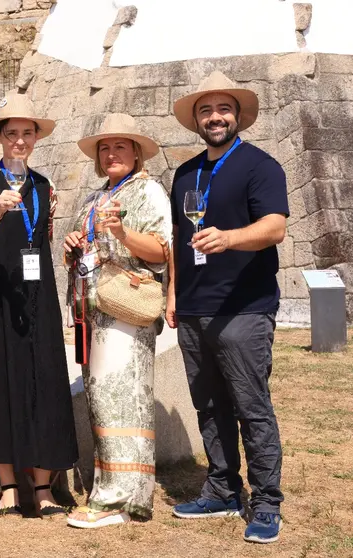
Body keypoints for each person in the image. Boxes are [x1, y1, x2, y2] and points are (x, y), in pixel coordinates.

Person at [167, 71, 287, 544]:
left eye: (223, 109)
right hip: (194, 310)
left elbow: (274, 227)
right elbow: (179, 241)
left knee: (251, 407)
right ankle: (221, 488)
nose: (214, 117)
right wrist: (174, 294)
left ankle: (267, 502)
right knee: (209, 407)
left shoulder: (260, 166)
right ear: (196, 119)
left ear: (237, 116)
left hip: (244, 309)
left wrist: (230, 238)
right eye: (205, 110)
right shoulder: (186, 172)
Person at [0, 93, 77, 519]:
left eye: (28, 133)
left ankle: (41, 485)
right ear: (0, 138)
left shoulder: (46, 185)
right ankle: (8, 485)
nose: (20, 141)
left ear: (36, 138)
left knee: (42, 381)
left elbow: (39, 240)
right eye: (13, 134)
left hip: (34, 294)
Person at [63, 113, 171, 529]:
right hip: (94, 310)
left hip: (125, 305)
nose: (111, 154)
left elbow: (162, 251)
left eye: (120, 147)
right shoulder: (93, 198)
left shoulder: (149, 193)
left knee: (121, 397)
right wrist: (74, 245)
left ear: (137, 152)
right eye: (105, 148)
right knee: (103, 398)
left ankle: (120, 499)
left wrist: (124, 235)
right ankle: (111, 489)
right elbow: (82, 253)